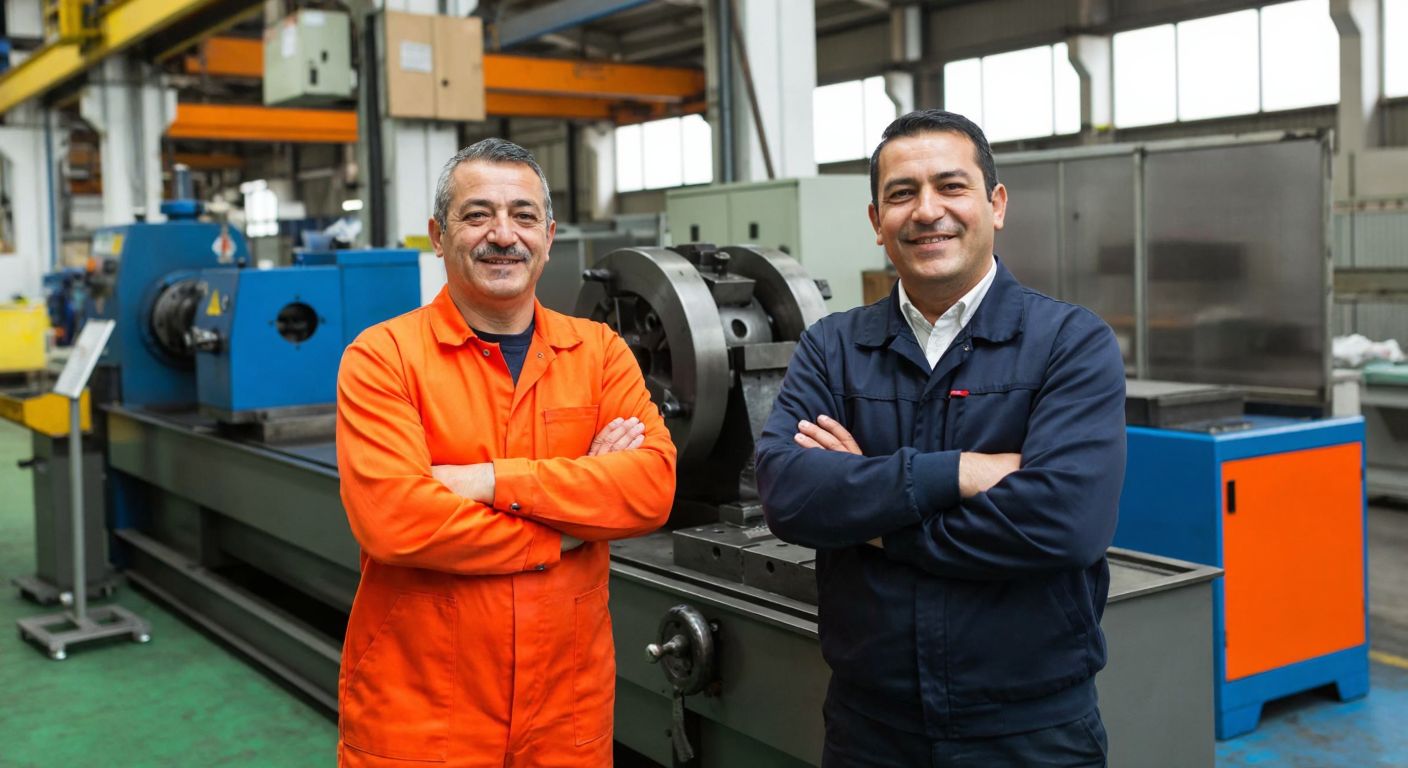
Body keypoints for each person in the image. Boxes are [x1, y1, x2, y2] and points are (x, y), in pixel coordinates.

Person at [755, 110, 1125, 767]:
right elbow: (787, 495)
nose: (928, 211)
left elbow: (1064, 522)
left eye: (951, 187)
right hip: (871, 727)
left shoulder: (1069, 343)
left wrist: (870, 518)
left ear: (996, 203)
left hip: (1031, 730)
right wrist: (958, 473)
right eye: (902, 193)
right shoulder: (833, 348)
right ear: (876, 221)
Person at [335, 138, 676, 767]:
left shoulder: (598, 353)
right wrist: (566, 529)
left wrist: (487, 481)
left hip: (565, 712)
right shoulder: (383, 359)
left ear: (548, 235)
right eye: (477, 215)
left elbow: (650, 487)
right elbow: (397, 520)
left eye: (523, 216)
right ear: (438, 236)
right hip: (422, 715)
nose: (503, 234)